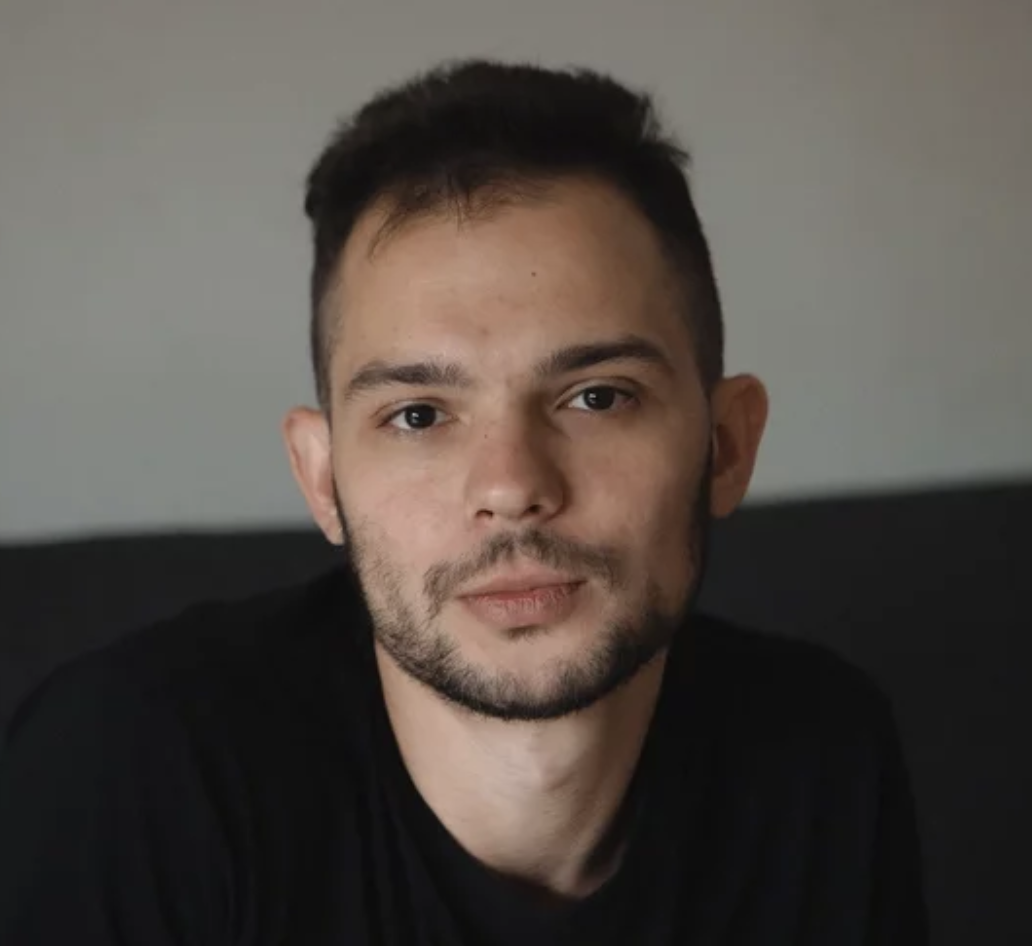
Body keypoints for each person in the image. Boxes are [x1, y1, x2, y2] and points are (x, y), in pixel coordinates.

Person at [0, 58, 928, 944]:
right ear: (321, 478)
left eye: (597, 397)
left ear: (726, 445)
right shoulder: (128, 774)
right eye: (417, 415)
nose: (511, 487)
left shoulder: (822, 761)